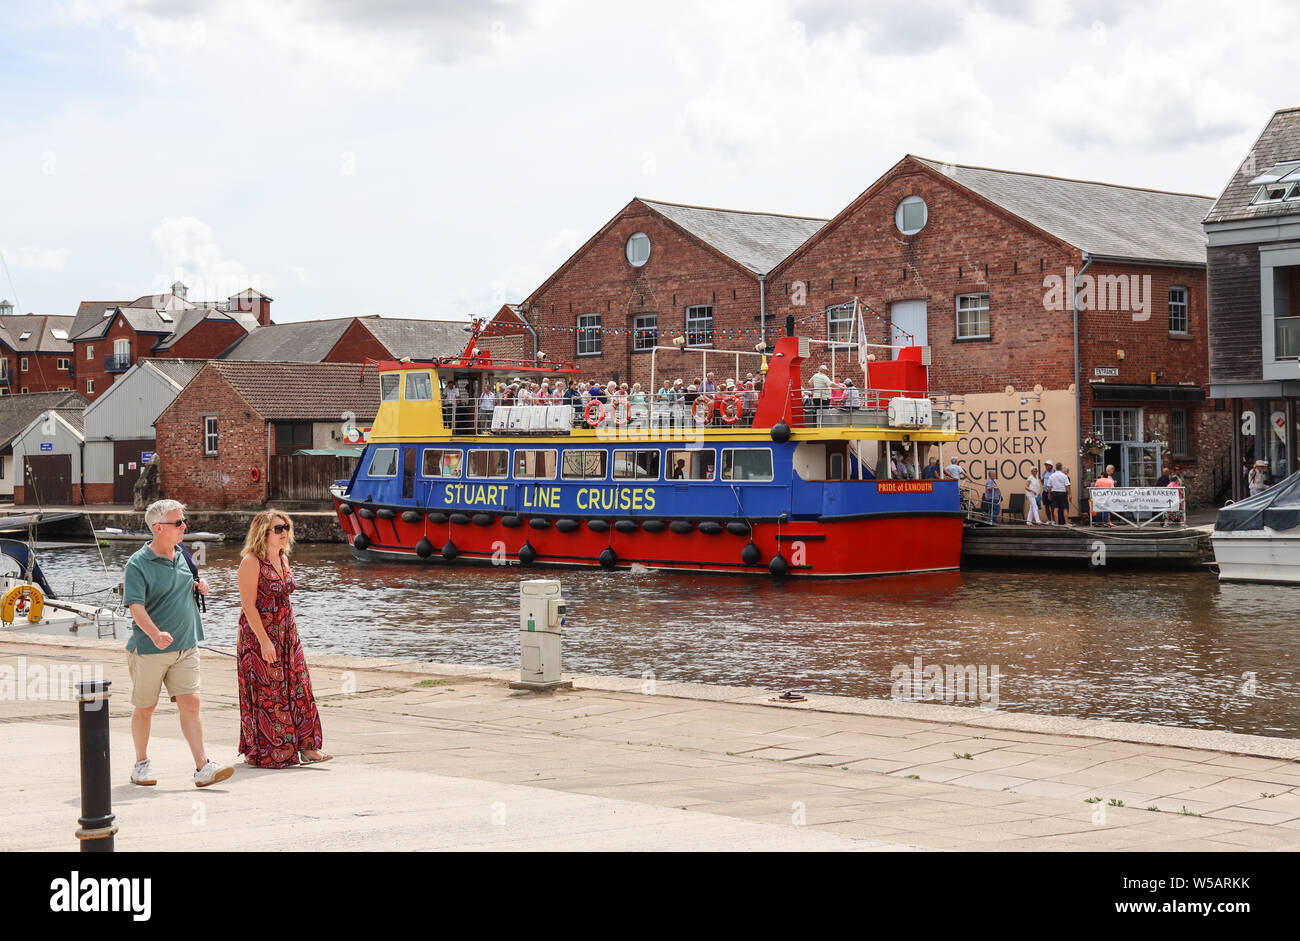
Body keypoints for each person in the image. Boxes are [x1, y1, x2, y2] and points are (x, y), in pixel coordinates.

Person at [124, 499, 230, 788]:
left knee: (191, 703)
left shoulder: (182, 553)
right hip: (150, 649)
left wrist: (199, 584)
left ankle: (202, 767)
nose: (185, 526)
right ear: (159, 528)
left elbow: (186, 582)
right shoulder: (137, 564)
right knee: (146, 707)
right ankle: (141, 764)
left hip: (186, 643)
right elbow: (136, 607)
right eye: (178, 522)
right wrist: (155, 634)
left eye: (184, 520)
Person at [236, 511, 330, 768]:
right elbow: (248, 605)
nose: (283, 532)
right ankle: (270, 751)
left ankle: (308, 747)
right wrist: (265, 641)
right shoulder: (251, 562)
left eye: (286, 527)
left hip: (287, 634)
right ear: (263, 532)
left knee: (299, 687)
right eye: (277, 528)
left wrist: (287, 635)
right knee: (269, 693)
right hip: (259, 637)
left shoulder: (282, 558)